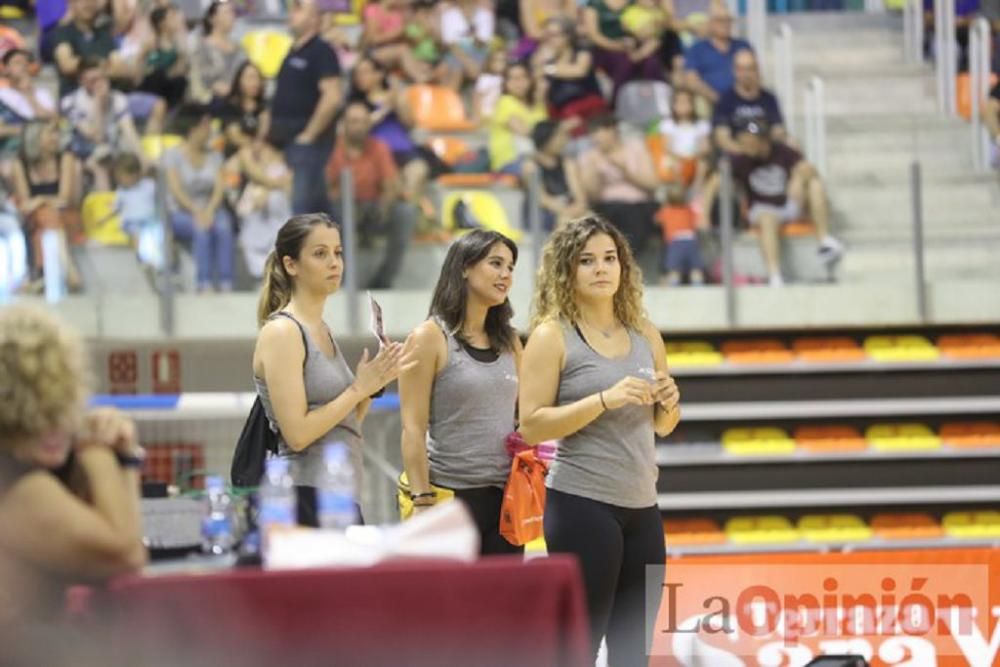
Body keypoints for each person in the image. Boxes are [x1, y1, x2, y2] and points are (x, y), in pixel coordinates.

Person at [518, 214, 680, 666]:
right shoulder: (552, 337)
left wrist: (669, 400)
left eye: (610, 258)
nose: (601, 268)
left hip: (643, 506)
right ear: (567, 271)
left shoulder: (646, 334)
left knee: (635, 652)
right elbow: (530, 426)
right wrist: (603, 399)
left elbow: (663, 425)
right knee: (580, 648)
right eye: (587, 261)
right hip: (582, 504)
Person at [252, 213, 411, 526]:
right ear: (291, 265)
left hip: (340, 495)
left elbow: (345, 427)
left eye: (338, 253)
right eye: (320, 254)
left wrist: (373, 386)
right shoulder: (282, 332)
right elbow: (297, 435)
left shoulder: (321, 329)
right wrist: (357, 389)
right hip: (304, 498)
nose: (334, 263)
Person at [0, 304, 146, 628]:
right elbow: (125, 554)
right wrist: (98, 449)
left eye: (58, 411)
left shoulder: (30, 476)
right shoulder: (20, 489)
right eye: (34, 419)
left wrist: (125, 456)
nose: (52, 429)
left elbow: (124, 543)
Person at [398, 229, 521, 555]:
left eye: (510, 267)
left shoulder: (510, 341)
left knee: (505, 605)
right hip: (450, 497)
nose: (505, 275)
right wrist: (422, 501)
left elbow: (526, 417)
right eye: (496, 263)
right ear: (464, 267)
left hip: (508, 500)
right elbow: (412, 427)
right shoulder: (429, 337)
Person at [729, 120, 844, 286]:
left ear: (763, 141)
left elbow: (810, 170)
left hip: (788, 204)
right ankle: (775, 275)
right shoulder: (741, 159)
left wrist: (798, 177)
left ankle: (824, 241)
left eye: (749, 141)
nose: (745, 146)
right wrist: (704, 215)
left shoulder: (783, 152)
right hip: (762, 209)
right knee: (767, 219)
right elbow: (715, 182)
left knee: (815, 184)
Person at [326, 101, 418, 290]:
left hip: (375, 207)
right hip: (342, 210)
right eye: (353, 121)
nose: (358, 127)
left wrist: (383, 208)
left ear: (369, 124)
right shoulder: (333, 150)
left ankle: (384, 280)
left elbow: (390, 184)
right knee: (336, 213)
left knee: (405, 212)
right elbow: (327, 189)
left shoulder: (379, 147)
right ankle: (340, 279)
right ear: (343, 125)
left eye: (361, 122)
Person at [269, 0, 343, 216]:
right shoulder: (292, 52)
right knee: (314, 210)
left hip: (308, 147)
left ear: (314, 19)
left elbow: (333, 96)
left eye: (298, 8)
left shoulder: (321, 51)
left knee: (301, 211)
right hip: (286, 144)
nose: (291, 13)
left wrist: (309, 134)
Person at [163, 104, 232, 292]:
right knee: (200, 228)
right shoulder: (172, 155)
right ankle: (204, 283)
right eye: (206, 125)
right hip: (182, 211)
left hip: (211, 208)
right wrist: (197, 212)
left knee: (224, 226)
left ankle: (226, 283)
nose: (210, 129)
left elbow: (219, 187)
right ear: (193, 129)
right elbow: (176, 190)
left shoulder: (215, 156)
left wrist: (209, 210)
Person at [11, 120, 83, 291]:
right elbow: (26, 203)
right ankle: (68, 269)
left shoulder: (65, 158)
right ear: (35, 137)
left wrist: (41, 200)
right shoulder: (20, 164)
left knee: (45, 217)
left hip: (66, 216)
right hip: (36, 219)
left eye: (56, 133)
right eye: (51, 133)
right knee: (43, 217)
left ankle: (40, 275)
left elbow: (64, 199)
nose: (56, 138)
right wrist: (41, 203)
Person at [577, 114, 659, 257]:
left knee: (636, 216)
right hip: (609, 206)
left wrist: (625, 172)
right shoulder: (589, 156)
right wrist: (595, 174)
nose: (595, 138)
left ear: (613, 131)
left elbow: (652, 184)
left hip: (640, 204)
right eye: (592, 133)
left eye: (599, 131)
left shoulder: (636, 148)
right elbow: (593, 196)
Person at [60, 56, 144, 191]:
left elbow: (130, 132)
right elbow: (96, 136)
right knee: (100, 164)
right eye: (93, 80)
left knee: (136, 160)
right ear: (81, 81)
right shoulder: (70, 102)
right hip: (83, 152)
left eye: (102, 78)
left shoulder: (118, 98)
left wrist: (143, 158)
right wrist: (99, 101)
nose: (99, 84)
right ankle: (103, 208)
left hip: (112, 148)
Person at [531, 17, 607, 135]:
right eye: (547, 35)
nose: (550, 40)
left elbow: (579, 71)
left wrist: (547, 68)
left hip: (587, 104)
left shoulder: (581, 50)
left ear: (568, 36)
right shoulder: (544, 57)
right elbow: (538, 87)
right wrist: (540, 65)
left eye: (554, 35)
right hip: (560, 111)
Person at [582, 0, 665, 104]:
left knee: (651, 62)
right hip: (605, 49)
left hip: (634, 46)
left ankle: (658, 101)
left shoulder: (634, 3)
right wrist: (619, 45)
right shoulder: (595, 4)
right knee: (625, 63)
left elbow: (647, 27)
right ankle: (615, 103)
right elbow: (594, 36)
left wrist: (641, 46)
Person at [236, 139, 293, 280]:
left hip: (277, 225)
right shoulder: (254, 177)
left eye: (265, 149)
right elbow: (246, 207)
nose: (261, 153)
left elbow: (285, 192)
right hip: (255, 227)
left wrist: (269, 190)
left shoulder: (284, 172)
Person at [712, 49, 786, 154]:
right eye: (741, 69)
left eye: (750, 69)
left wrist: (765, 144)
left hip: (766, 150)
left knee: (797, 152)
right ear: (734, 71)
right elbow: (722, 137)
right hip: (738, 154)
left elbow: (778, 129)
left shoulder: (769, 98)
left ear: (757, 70)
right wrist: (745, 150)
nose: (746, 74)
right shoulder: (725, 100)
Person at [527, 119, 588, 231]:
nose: (563, 140)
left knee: (590, 219)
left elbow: (579, 194)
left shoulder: (568, 163)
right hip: (545, 212)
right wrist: (566, 210)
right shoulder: (531, 166)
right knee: (566, 221)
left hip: (570, 208)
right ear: (546, 138)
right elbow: (542, 199)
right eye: (558, 136)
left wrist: (579, 206)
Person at [489, 62, 548, 176]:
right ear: (505, 83)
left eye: (522, 77)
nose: (519, 83)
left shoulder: (538, 105)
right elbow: (523, 130)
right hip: (510, 159)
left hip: (537, 155)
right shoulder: (505, 102)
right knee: (531, 168)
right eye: (513, 79)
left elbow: (546, 131)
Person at [684, 5, 751, 104]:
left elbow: (753, 75)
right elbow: (691, 80)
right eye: (720, 20)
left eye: (728, 20)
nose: (725, 24)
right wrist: (718, 100)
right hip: (710, 101)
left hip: (741, 102)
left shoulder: (742, 46)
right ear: (710, 24)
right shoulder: (697, 49)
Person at [111, 152, 164, 272]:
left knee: (159, 233)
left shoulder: (149, 185)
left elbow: (159, 200)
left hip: (150, 220)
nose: (121, 180)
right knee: (137, 235)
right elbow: (116, 208)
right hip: (131, 222)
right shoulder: (121, 191)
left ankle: (162, 262)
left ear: (136, 174)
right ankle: (143, 259)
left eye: (124, 176)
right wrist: (104, 218)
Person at [0, 50, 57, 157]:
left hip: (42, 147)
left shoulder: (42, 94)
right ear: (6, 70)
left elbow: (53, 120)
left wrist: (29, 95)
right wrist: (26, 131)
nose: (23, 67)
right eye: (17, 63)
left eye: (25, 63)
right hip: (12, 148)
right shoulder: (2, 95)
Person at [189, 0, 246, 104]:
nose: (232, 16)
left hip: (239, 96)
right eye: (227, 12)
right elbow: (204, 79)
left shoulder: (239, 46)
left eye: (233, 12)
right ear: (213, 18)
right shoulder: (202, 46)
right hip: (212, 99)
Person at [135, 3, 189, 111]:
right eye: (172, 18)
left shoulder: (177, 44)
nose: (176, 21)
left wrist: (182, 53)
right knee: (158, 74)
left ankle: (173, 110)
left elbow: (180, 69)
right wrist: (138, 79)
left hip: (167, 82)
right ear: (162, 23)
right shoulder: (151, 42)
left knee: (181, 80)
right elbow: (138, 62)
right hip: (151, 84)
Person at [213, 61, 269, 156]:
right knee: (245, 154)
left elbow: (263, 136)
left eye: (258, 78)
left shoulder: (263, 109)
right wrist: (257, 145)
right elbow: (235, 137)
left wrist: (264, 126)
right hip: (233, 156)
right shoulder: (230, 106)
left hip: (259, 155)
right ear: (239, 80)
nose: (255, 82)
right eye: (250, 78)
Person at [658, 87, 710, 189]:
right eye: (679, 102)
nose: (683, 105)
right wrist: (680, 157)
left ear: (693, 105)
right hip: (675, 156)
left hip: (694, 156)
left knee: (703, 163)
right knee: (674, 164)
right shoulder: (668, 124)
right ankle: (679, 190)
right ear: (673, 105)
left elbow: (705, 147)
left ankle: (696, 189)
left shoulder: (701, 125)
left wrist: (693, 155)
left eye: (686, 102)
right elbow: (666, 147)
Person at [656, 182, 705, 285]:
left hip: (675, 240)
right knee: (695, 267)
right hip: (691, 239)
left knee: (674, 268)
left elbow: (657, 220)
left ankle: (673, 286)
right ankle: (698, 285)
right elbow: (698, 221)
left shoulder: (666, 210)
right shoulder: (689, 209)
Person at [439, 0, 495, 89]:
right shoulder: (449, 15)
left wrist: (473, 32)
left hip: (478, 52)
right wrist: (468, 63)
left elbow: (483, 43)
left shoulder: (485, 15)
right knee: (456, 69)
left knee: (453, 67)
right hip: (457, 53)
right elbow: (451, 44)